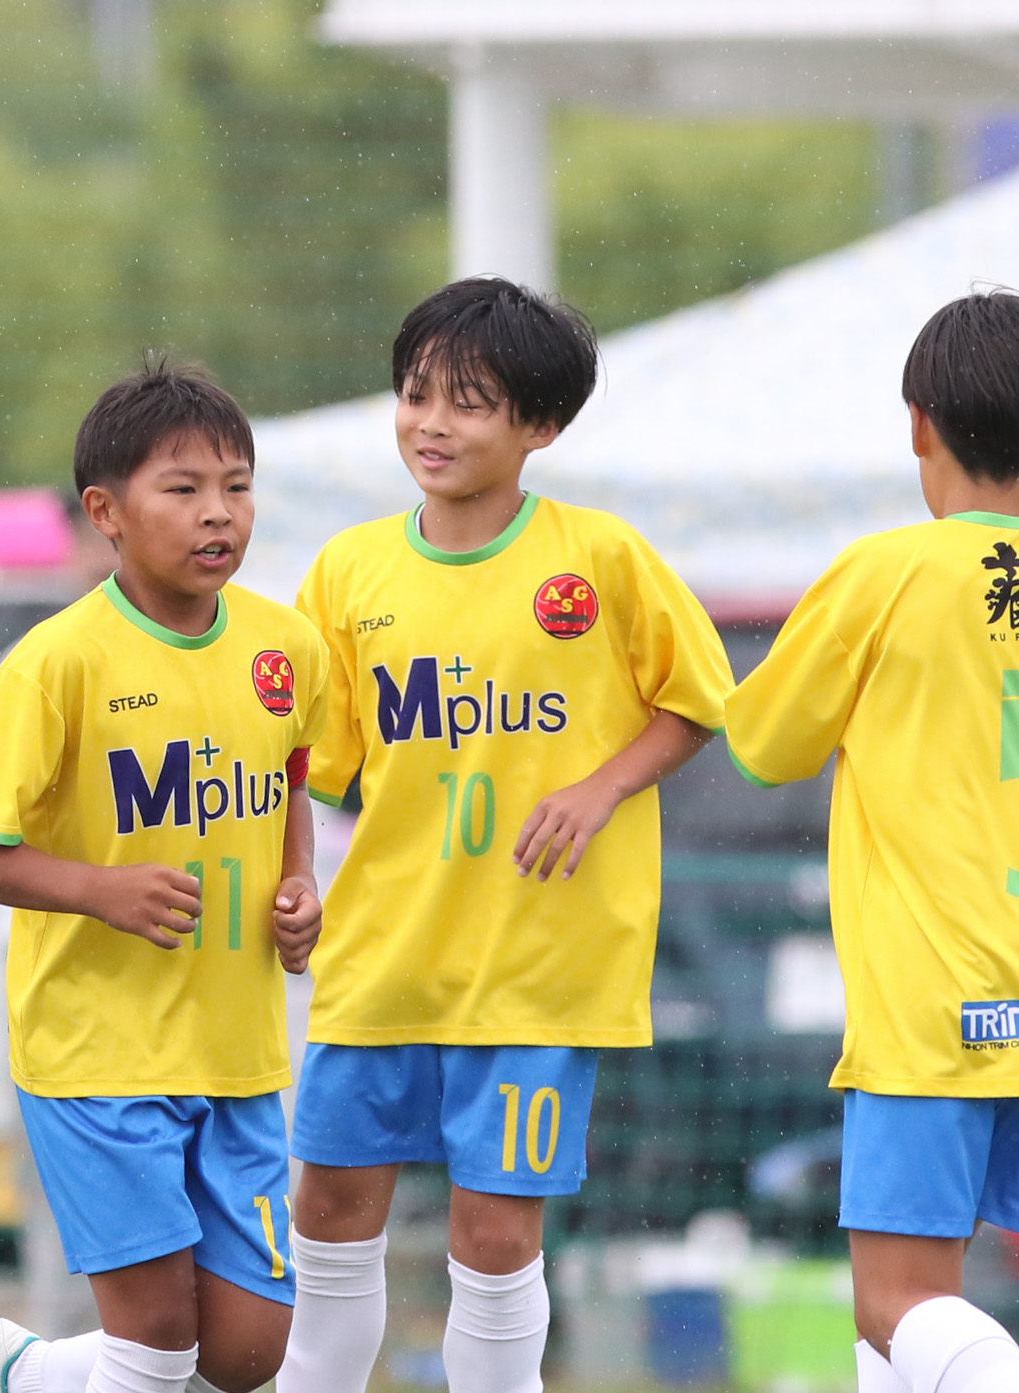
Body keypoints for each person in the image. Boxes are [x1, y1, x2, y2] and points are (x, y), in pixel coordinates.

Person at [278, 277, 733, 1393]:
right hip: (382, 959)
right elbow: (303, 761)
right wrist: (293, 877)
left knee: (491, 1236)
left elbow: (698, 701)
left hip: (535, 969)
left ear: (539, 425)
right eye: (413, 393)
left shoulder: (601, 560)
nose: (429, 424)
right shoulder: (347, 571)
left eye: (468, 402)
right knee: (329, 1213)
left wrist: (597, 789)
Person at [0, 361, 326, 1393]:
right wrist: (97, 888)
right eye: (183, 488)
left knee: (244, 1356)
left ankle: (24, 1371)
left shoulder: (284, 647)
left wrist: (298, 887)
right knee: (154, 1340)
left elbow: (291, 778)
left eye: (235, 487)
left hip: (235, 1048)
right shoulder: (53, 664)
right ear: (104, 512)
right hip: (96, 1048)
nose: (217, 514)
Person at [723, 290, 1019, 1393]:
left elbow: (758, 743)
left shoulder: (885, 573)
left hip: (929, 999)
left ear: (918, 424)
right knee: (883, 1334)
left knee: (901, 1303)